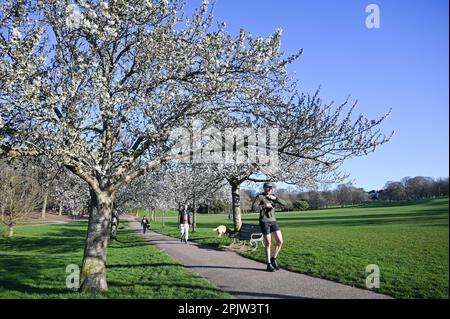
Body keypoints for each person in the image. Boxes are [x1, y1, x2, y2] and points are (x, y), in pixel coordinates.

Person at [252, 182, 287, 272]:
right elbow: (254, 208)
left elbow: (284, 204)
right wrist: (264, 205)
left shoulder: (273, 196)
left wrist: (276, 198)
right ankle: (268, 264)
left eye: (271, 187)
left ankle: (273, 258)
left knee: (280, 241)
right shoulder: (260, 197)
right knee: (268, 243)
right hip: (264, 222)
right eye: (268, 187)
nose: (270, 189)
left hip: (273, 221)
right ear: (264, 188)